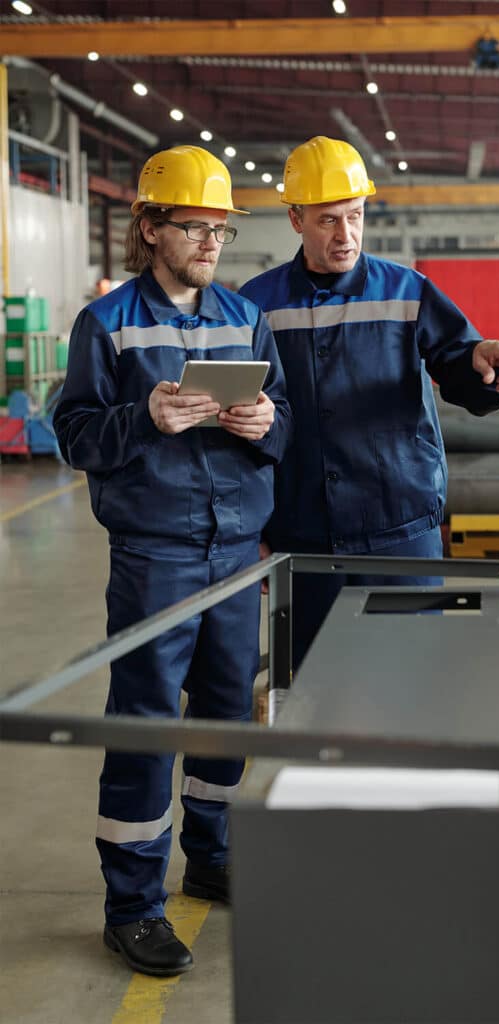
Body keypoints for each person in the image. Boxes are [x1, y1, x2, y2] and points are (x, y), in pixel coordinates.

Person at [53, 146, 292, 977]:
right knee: (148, 724)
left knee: (227, 714)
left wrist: (268, 428)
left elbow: (283, 414)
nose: (211, 242)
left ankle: (214, 857)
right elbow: (74, 436)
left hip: (236, 551)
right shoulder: (107, 323)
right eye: (194, 226)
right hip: (155, 553)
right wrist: (143, 416)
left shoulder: (242, 316)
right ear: (149, 228)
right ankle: (133, 907)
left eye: (221, 228)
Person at [240, 136, 499, 670]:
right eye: (328, 220)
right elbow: (243, 426)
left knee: (413, 679)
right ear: (295, 219)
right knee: (313, 684)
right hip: (302, 532)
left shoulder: (406, 290)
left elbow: (456, 359)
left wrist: (481, 361)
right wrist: (253, 530)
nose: (346, 235)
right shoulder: (256, 305)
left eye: (355, 216)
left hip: (399, 526)